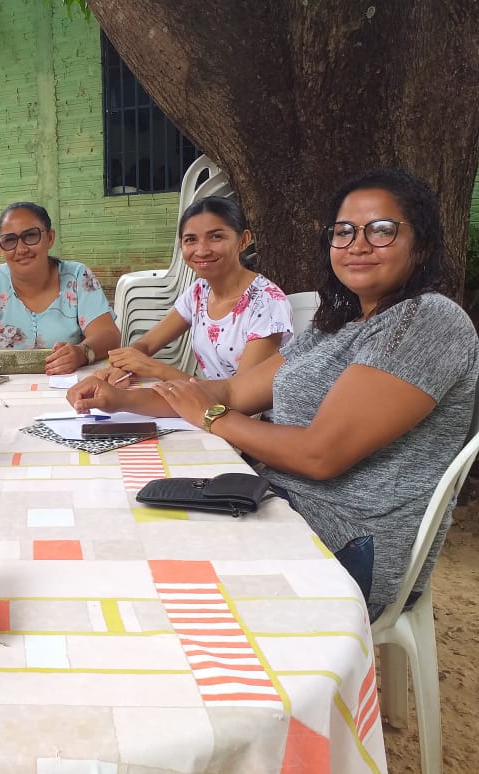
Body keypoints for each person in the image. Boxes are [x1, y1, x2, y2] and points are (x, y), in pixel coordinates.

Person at [67, 169, 479, 620]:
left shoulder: (428, 321)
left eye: (382, 230)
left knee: (150, 579)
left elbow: (319, 455)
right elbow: (229, 389)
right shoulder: (336, 323)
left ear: (421, 245)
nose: (357, 244)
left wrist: (213, 418)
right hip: (276, 502)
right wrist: (119, 400)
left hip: (351, 544)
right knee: (115, 527)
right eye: (343, 231)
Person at [103, 196, 293, 384]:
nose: (201, 250)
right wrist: (123, 365)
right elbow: (147, 344)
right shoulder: (199, 293)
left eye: (216, 237)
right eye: (191, 240)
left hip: (255, 414)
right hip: (211, 407)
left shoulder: (267, 302)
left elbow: (241, 392)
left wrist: (156, 368)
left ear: (243, 241)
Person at [0, 201, 121, 376]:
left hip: (65, 389)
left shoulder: (77, 277)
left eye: (30, 236)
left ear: (50, 238)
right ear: (0, 247)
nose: (21, 249)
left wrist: (82, 353)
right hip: (1, 392)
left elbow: (108, 334)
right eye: (10, 240)